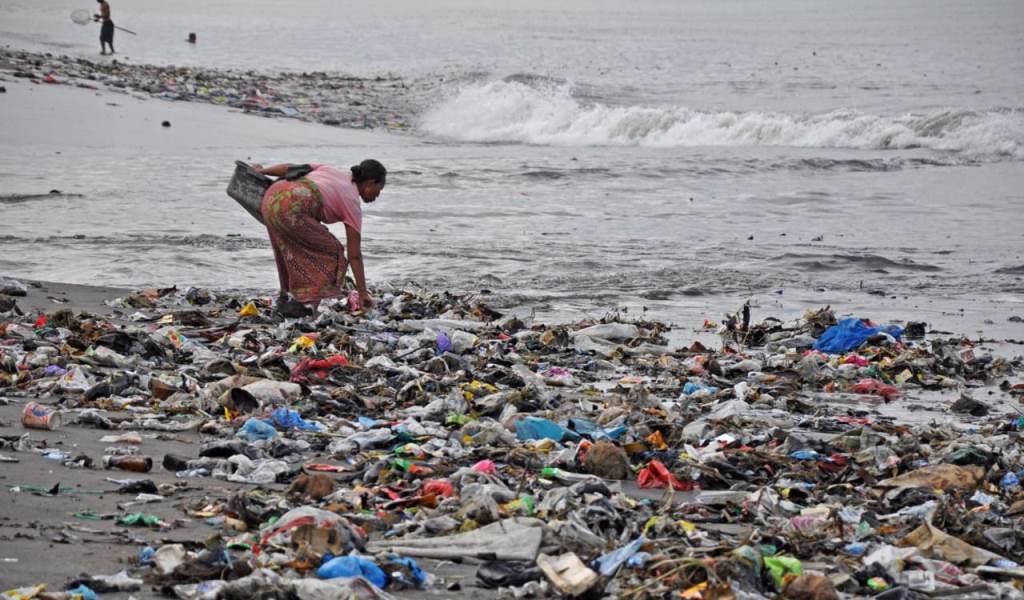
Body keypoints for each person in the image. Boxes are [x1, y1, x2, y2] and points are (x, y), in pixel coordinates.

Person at [253, 160, 386, 312]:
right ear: (370, 182)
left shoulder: (330, 169)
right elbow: (354, 255)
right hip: (292, 206)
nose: (378, 194)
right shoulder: (352, 202)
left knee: (286, 250)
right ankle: (308, 306)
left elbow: (290, 168)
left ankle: (286, 297)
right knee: (334, 253)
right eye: (379, 188)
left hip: (271, 196)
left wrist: (262, 172)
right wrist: (363, 293)